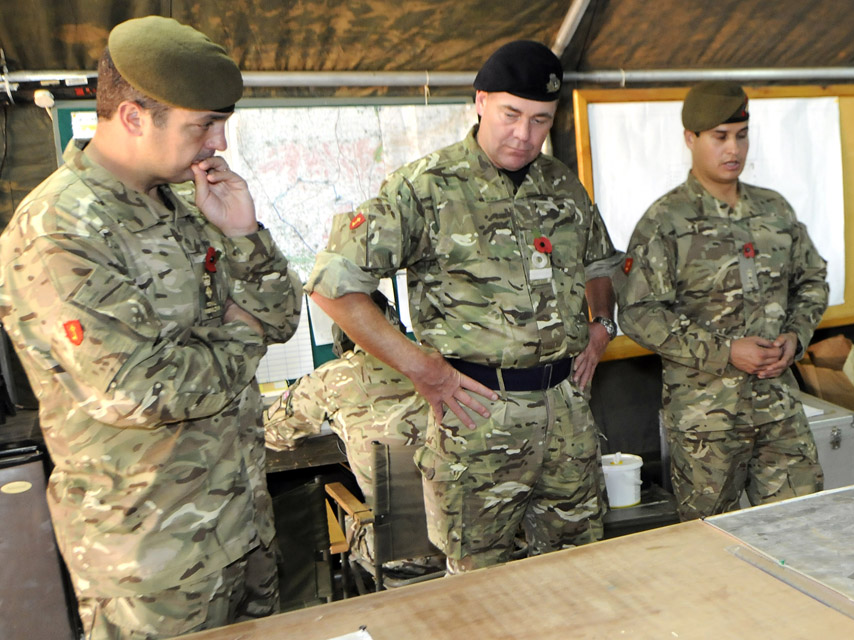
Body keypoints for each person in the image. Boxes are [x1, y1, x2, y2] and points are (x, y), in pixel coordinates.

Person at [0, 16, 302, 639]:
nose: (218, 142)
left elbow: (284, 314)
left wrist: (244, 234)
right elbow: (136, 389)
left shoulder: (191, 203)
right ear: (134, 116)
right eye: (203, 125)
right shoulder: (59, 228)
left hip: (240, 526)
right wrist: (242, 333)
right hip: (153, 562)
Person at [307, 40, 621, 573]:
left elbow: (599, 263)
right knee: (480, 586)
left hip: (567, 411)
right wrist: (421, 368)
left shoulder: (562, 185)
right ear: (479, 102)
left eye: (540, 121)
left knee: (580, 571)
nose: (524, 135)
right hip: (476, 415)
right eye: (511, 114)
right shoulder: (426, 186)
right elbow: (331, 285)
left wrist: (601, 322)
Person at [618, 81, 828, 520]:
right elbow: (638, 313)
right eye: (720, 136)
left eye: (741, 134)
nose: (733, 148)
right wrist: (725, 352)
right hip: (707, 421)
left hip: (777, 407)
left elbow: (812, 278)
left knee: (803, 526)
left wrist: (796, 336)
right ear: (690, 139)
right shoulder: (666, 221)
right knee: (711, 543)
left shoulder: (774, 211)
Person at [262, 290, 444, 583]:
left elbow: (275, 434)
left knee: (340, 507)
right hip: (464, 538)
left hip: (395, 555)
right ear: (395, 322)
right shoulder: (440, 365)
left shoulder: (330, 379)